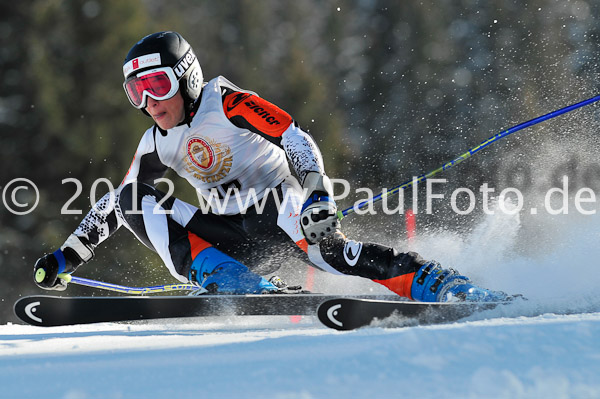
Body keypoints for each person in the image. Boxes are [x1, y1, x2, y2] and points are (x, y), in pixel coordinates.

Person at [33, 31, 507, 302]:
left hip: (281, 210)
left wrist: (319, 195)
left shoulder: (229, 101)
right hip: (228, 234)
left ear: (186, 76)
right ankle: (229, 280)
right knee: (134, 195)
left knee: (328, 254)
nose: (150, 101)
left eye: (157, 84)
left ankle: (439, 283)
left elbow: (295, 138)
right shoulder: (156, 141)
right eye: (137, 92)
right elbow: (116, 206)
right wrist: (66, 258)